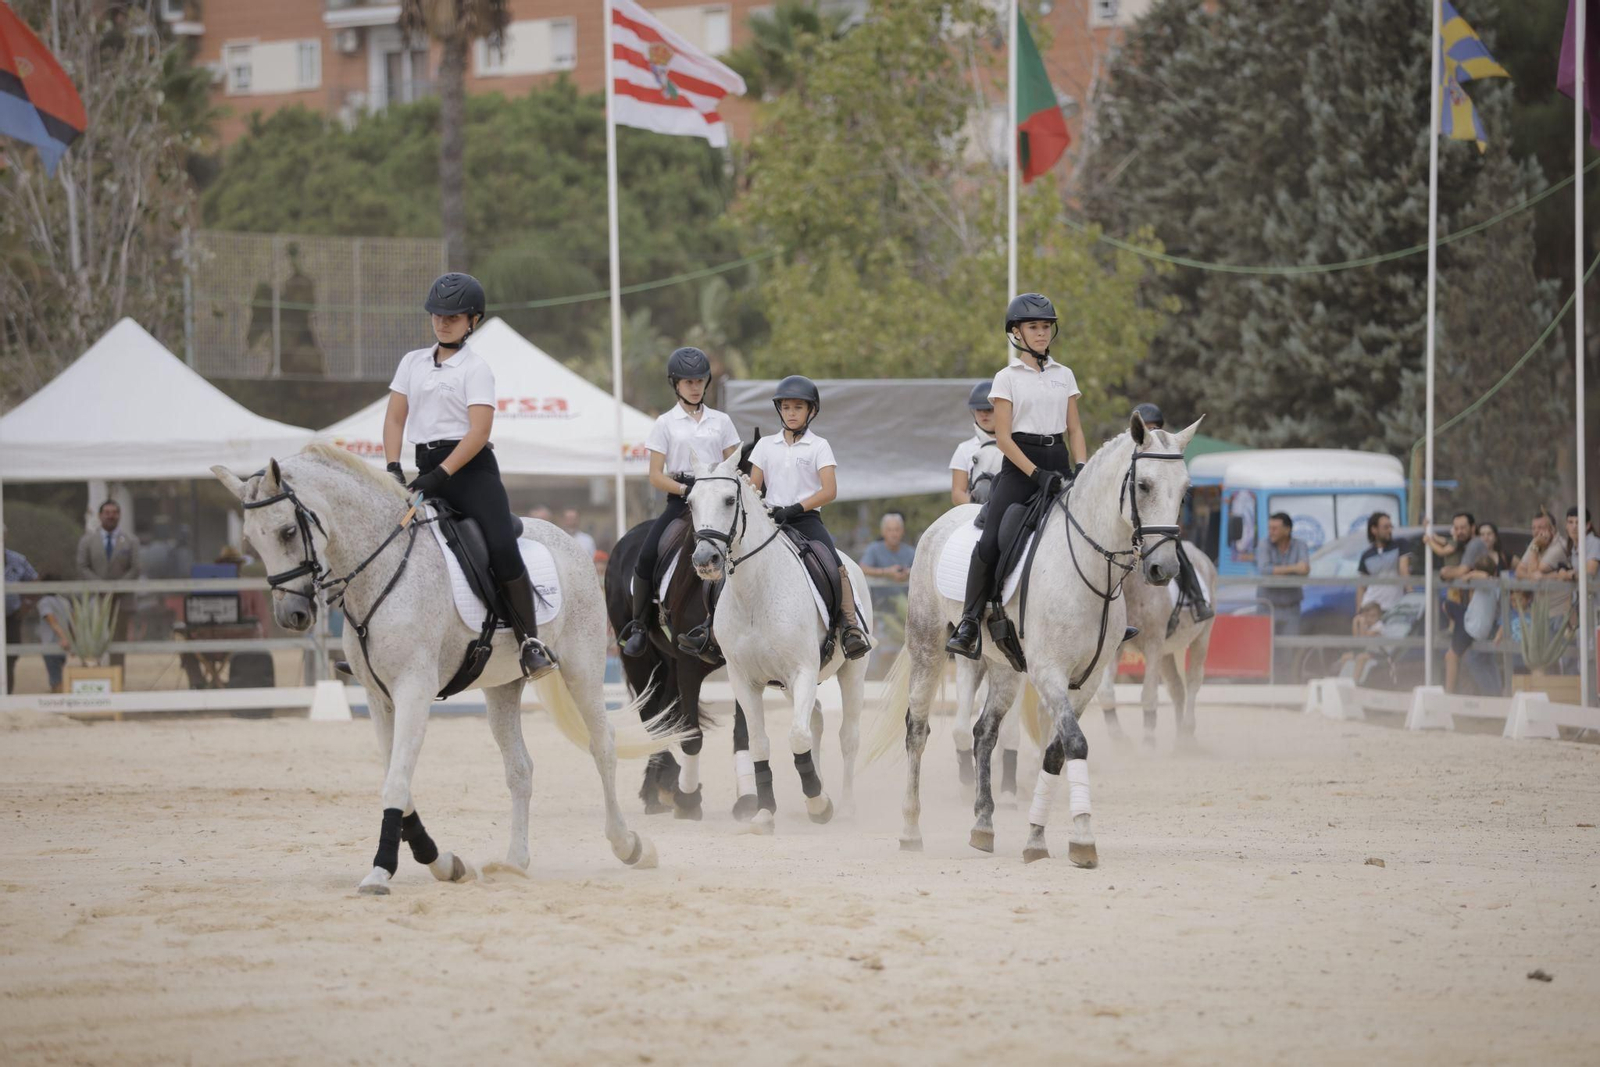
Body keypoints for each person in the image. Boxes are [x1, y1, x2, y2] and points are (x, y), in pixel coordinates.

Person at [383, 272, 554, 679]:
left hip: (470, 472)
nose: (443, 323)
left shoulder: (476, 369)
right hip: (424, 468)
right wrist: (393, 468)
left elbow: (478, 432)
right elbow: (394, 419)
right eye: (437, 315)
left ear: (472, 321)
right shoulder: (411, 363)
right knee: (384, 538)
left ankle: (530, 643)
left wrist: (440, 474)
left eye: (453, 317)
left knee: (501, 546)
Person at [948, 294, 1093, 659]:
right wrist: (1036, 474)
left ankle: (1108, 616)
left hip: (1058, 459)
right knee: (991, 541)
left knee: (1096, 529)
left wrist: (1081, 467)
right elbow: (1003, 438)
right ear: (1016, 333)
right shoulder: (1006, 378)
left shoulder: (1064, 375)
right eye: (1033, 327)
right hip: (1019, 466)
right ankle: (969, 621)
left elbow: (1075, 429)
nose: (1041, 333)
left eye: (1046, 327)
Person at [619, 346, 740, 659]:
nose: (695, 387)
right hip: (682, 498)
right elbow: (655, 475)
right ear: (676, 384)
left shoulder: (722, 421)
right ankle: (639, 626)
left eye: (700, 381)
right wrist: (686, 490)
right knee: (647, 554)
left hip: (717, 501)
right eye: (688, 382)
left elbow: (734, 466)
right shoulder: (665, 423)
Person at [747, 375, 871, 660]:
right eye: (786, 407)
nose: (791, 413)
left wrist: (796, 508)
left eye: (798, 407)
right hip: (770, 520)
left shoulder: (819, 446)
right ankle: (714, 623)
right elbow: (753, 487)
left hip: (806, 519)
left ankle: (849, 625)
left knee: (834, 563)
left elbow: (829, 491)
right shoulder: (765, 445)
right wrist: (762, 509)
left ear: (811, 411)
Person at [1129, 402, 1214, 635]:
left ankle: (1197, 597)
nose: (1151, 432)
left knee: (1178, 551)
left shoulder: (1166, 455)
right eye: (1147, 428)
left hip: (1159, 522)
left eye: (1155, 427)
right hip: (1132, 522)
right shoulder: (1130, 454)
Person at [75, 499, 140, 669]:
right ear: (100, 515)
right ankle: (93, 678)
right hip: (95, 600)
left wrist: (117, 588)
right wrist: (101, 587)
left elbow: (136, 568)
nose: (111, 516)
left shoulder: (131, 541)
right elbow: (82, 566)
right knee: (92, 642)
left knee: (118, 644)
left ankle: (117, 680)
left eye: (115, 513)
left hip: (121, 602)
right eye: (107, 513)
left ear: (119, 515)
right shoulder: (87, 540)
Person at [1437, 515, 1494, 693]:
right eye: (1456, 528)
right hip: (1471, 615)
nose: (1459, 531)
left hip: (1474, 619)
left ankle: (1449, 695)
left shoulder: (1474, 545)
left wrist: (1446, 573)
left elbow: (1465, 571)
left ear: (1472, 528)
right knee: (1477, 661)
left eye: (1463, 527)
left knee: (1460, 658)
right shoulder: (1463, 546)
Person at [1256, 512, 1309, 678]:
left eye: (1275, 528)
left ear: (1287, 530)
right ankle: (1266, 685)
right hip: (1267, 607)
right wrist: (1293, 568)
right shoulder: (1264, 544)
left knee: (1289, 651)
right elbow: (1265, 570)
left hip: (1291, 608)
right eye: (1270, 528)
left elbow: (1305, 569)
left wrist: (1278, 571)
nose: (1271, 532)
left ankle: (1286, 684)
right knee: (1265, 650)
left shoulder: (1300, 545)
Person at [949, 380, 1000, 505]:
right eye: (978, 409)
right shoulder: (964, 449)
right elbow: (958, 493)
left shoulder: (1016, 445)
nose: (983, 414)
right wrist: (980, 509)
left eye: (989, 409)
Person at [4, 539, 37, 693]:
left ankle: (7, 695)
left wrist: (27, 603)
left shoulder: (17, 560)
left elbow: (35, 581)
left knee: (10, 657)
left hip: (11, 617)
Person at [1356, 511, 1401, 616]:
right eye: (1385, 527)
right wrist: (1358, 612)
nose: (1389, 530)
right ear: (1374, 530)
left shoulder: (1398, 547)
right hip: (1372, 610)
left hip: (1394, 607)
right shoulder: (1367, 555)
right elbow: (1361, 586)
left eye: (1390, 527)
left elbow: (1405, 570)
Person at [36, 574, 70, 693]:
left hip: (51, 644)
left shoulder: (44, 602)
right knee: (59, 675)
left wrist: (63, 638)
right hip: (64, 647)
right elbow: (72, 622)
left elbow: (52, 621)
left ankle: (57, 701)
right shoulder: (65, 602)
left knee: (56, 680)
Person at [860, 513, 916, 581]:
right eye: (889, 530)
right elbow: (862, 569)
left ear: (902, 531)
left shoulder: (911, 552)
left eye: (897, 530)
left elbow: (920, 570)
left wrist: (907, 573)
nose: (894, 534)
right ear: (883, 532)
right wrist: (886, 572)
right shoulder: (873, 549)